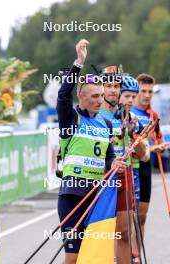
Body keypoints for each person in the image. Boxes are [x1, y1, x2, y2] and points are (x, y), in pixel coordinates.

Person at [57, 40, 126, 264]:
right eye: (94, 96)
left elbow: (109, 156)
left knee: (95, 255)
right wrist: (79, 63)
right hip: (72, 196)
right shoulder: (71, 118)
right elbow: (62, 97)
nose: (100, 100)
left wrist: (114, 163)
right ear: (82, 97)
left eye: (100, 95)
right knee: (74, 256)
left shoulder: (104, 125)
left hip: (96, 198)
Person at [100, 69, 149, 264]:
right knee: (101, 234)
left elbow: (144, 156)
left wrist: (134, 132)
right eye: (127, 96)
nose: (130, 100)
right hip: (103, 177)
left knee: (125, 234)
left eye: (132, 96)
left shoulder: (127, 119)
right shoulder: (98, 114)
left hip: (125, 176)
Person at [131, 73, 169, 256]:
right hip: (131, 166)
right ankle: (123, 254)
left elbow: (159, 138)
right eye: (143, 91)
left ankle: (136, 255)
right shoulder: (130, 112)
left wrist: (160, 146)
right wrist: (154, 148)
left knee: (142, 216)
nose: (147, 95)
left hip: (145, 167)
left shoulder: (152, 115)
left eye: (150, 92)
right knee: (126, 219)